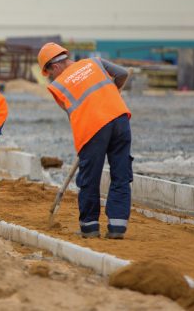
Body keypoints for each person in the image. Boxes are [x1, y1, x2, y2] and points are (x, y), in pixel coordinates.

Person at [38, 42, 132, 239]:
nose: (52, 78)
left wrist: (85, 145)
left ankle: (89, 227)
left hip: (93, 128)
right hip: (120, 119)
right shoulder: (95, 62)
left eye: (50, 73)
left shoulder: (57, 86)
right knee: (121, 174)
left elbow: (73, 114)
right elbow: (123, 73)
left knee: (90, 177)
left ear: (54, 67)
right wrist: (112, 93)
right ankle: (117, 227)